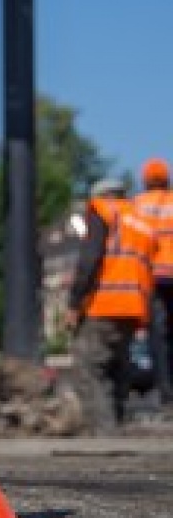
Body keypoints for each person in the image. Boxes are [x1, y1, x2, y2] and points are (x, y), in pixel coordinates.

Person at [68, 178, 157, 435]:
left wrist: (75, 303)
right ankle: (116, 426)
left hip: (103, 304)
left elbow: (90, 259)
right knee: (119, 368)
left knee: (91, 368)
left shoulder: (103, 211)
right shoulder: (141, 221)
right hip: (134, 307)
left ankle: (105, 433)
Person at [133, 158, 173, 403]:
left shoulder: (136, 205)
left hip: (153, 276)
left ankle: (167, 392)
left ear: (145, 181)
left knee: (159, 337)